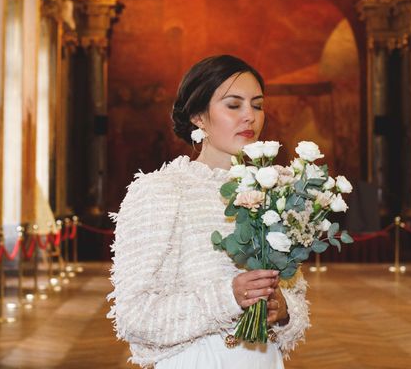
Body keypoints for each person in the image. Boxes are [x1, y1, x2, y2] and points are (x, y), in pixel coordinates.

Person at [108, 55, 309, 368]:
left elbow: (294, 294)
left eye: (257, 105)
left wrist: (283, 311)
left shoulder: (275, 193)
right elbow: (134, 315)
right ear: (198, 116)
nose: (250, 117)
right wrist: (228, 297)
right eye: (233, 105)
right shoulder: (161, 191)